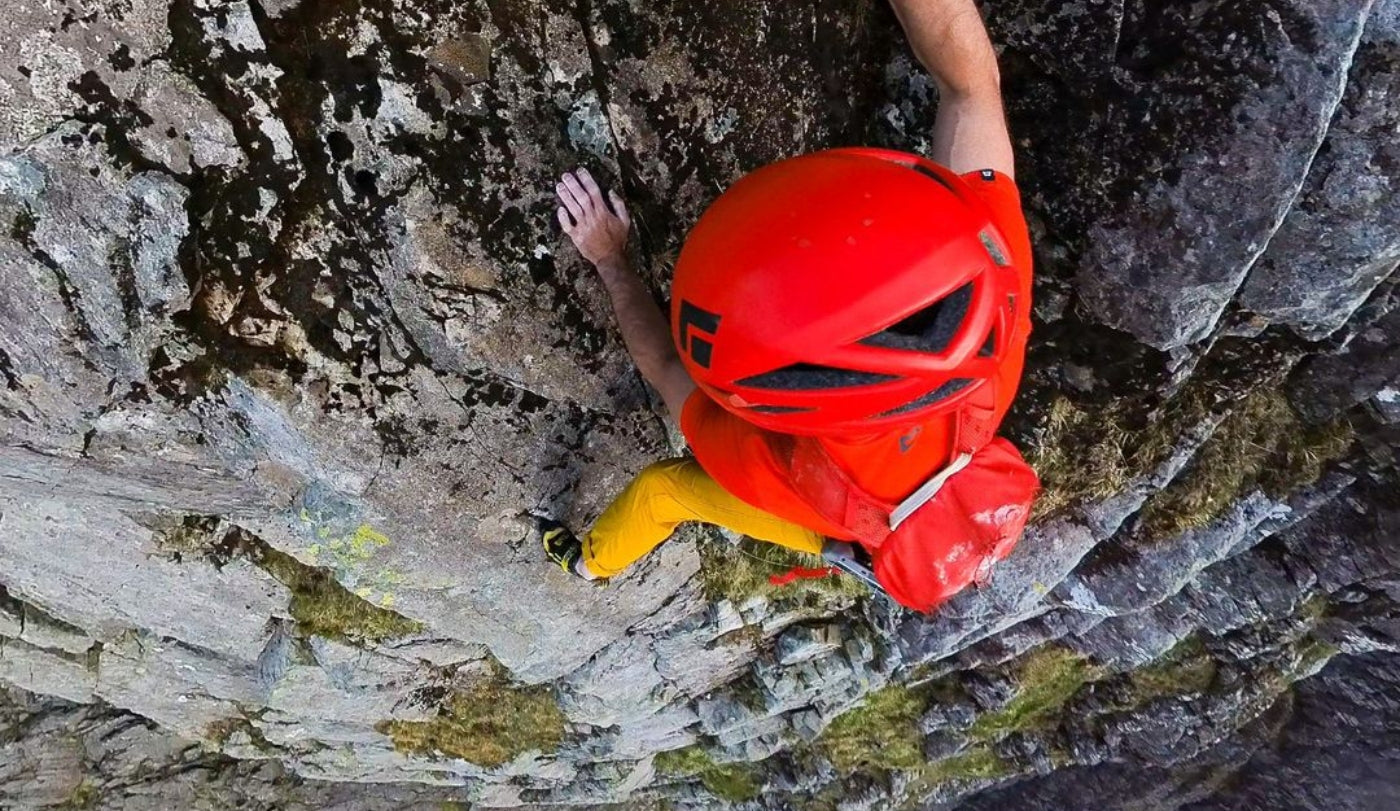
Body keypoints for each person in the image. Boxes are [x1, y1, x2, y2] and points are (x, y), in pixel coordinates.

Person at [541, 0, 1034, 598]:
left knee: (666, 490)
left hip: (835, 525)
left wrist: (610, 260)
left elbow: (970, 88)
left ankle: (590, 564)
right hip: (872, 526)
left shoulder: (789, 476)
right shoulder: (992, 310)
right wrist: (610, 256)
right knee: (664, 493)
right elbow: (971, 90)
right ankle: (593, 565)